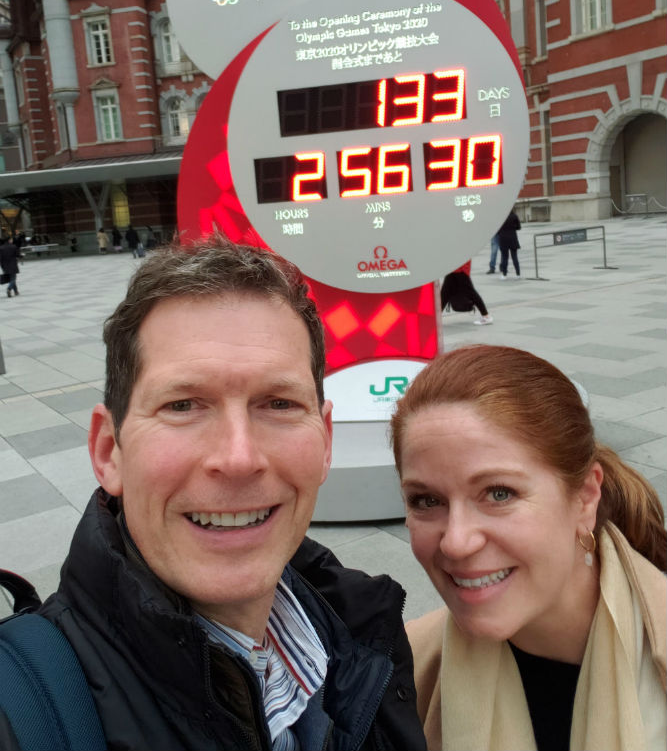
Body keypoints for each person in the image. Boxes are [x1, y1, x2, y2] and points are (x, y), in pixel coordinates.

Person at [0, 237, 425, 751]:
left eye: (279, 403)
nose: (239, 457)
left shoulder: (366, 630)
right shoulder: (22, 709)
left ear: (326, 439)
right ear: (110, 450)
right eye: (183, 405)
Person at [390, 345, 666, 751]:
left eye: (499, 493)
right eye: (426, 501)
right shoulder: (405, 672)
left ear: (586, 497)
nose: (457, 541)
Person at [440, 261, 493, 325]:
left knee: (471, 293)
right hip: (455, 268)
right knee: (444, 293)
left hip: (460, 269)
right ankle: (434, 319)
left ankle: (486, 316)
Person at [497, 210, 521, 277]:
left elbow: (497, 229)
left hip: (503, 238)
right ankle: (518, 274)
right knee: (514, 257)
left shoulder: (500, 216)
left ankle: (504, 274)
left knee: (504, 257)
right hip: (512, 238)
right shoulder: (514, 216)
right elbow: (519, 227)